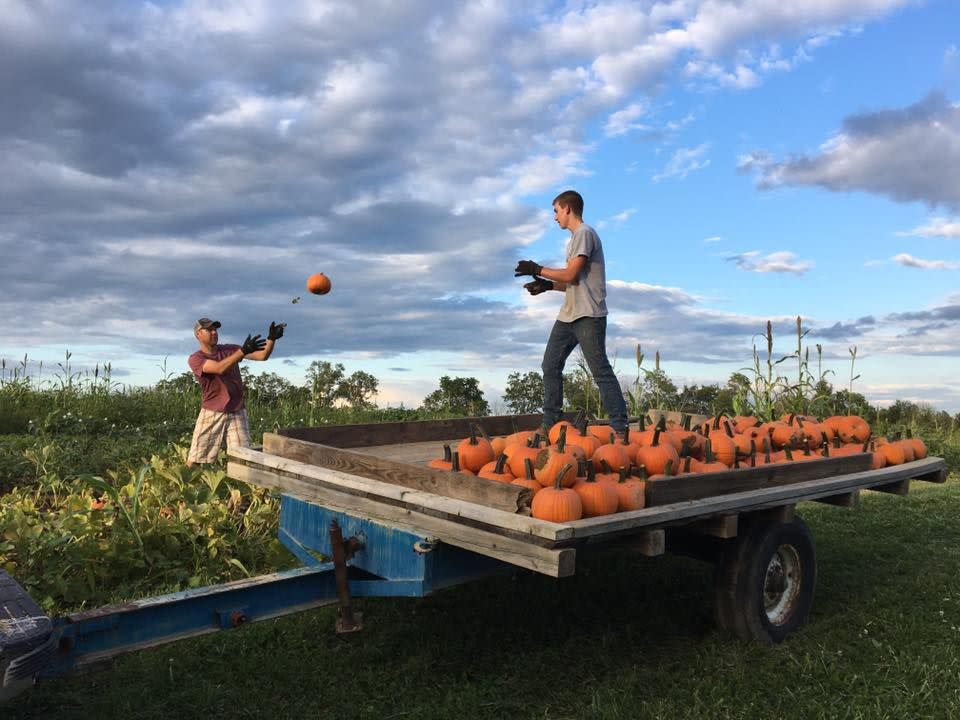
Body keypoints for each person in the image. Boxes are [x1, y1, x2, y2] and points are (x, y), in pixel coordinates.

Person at [514, 189, 629, 437]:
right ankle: (550, 425)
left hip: (588, 315)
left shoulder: (584, 234)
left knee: (600, 371)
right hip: (569, 315)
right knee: (550, 365)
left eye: (556, 211)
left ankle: (620, 428)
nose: (555, 217)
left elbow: (571, 274)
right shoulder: (576, 239)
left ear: (567, 208)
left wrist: (537, 268)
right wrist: (547, 286)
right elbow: (572, 283)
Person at [186, 317, 286, 466]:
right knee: (197, 457)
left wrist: (271, 338)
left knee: (243, 456)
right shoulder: (196, 358)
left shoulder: (230, 349)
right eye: (209, 330)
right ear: (198, 334)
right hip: (212, 410)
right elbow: (219, 368)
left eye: (215, 329)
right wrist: (242, 351)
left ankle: (240, 485)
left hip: (237, 410)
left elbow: (262, 356)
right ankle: (184, 482)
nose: (214, 332)